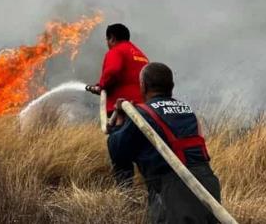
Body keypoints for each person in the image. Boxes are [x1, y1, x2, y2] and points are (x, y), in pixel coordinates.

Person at [107, 62, 221, 224]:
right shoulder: (188, 111)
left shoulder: (141, 115)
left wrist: (119, 122)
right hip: (208, 188)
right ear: (171, 86)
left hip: (174, 192)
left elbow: (117, 151)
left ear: (143, 86)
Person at [86, 23, 149, 114]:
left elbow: (112, 71)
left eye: (107, 39)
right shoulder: (141, 55)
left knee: (116, 128)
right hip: (143, 108)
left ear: (112, 38)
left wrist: (101, 86)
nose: (107, 43)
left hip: (122, 108)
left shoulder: (116, 51)